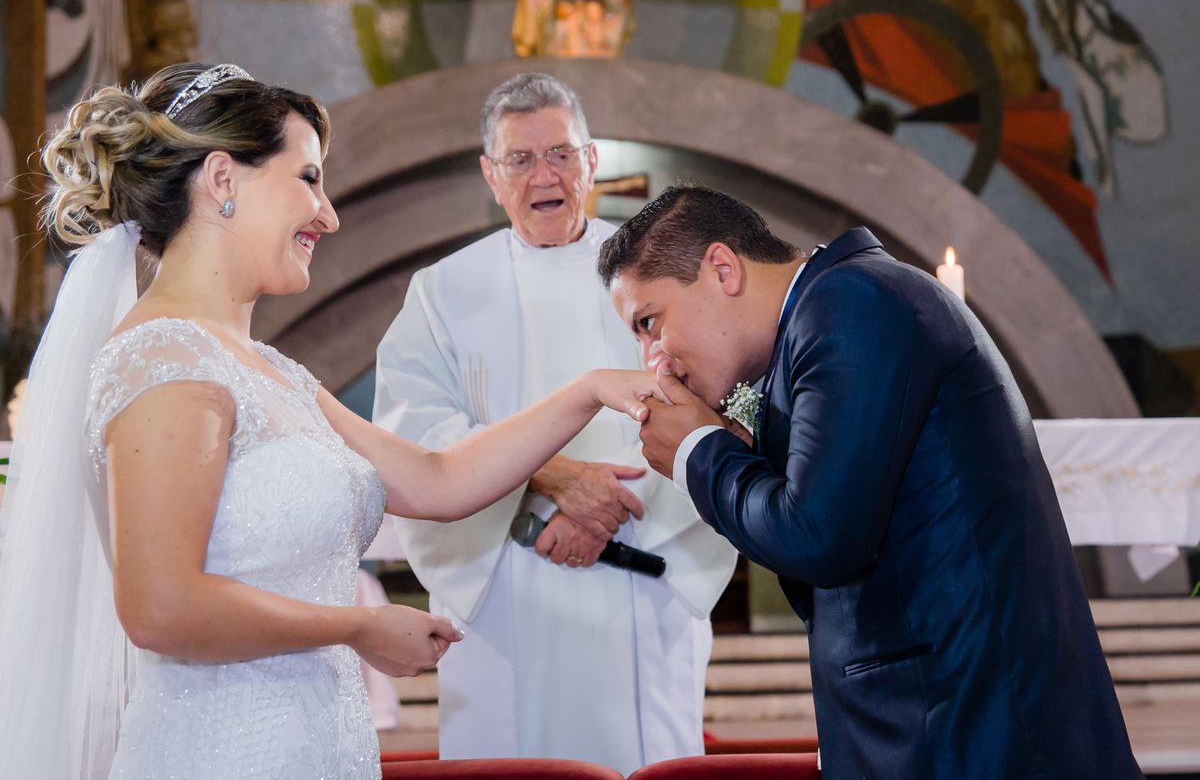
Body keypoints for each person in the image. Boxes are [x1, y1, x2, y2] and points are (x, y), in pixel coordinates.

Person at [0, 63, 664, 780]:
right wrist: (359, 627)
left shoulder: (272, 371)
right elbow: (161, 607)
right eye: (308, 178)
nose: (329, 213)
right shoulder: (167, 358)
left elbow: (438, 478)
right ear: (222, 179)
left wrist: (589, 390)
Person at [597, 184, 1144, 780]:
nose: (654, 358)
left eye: (649, 323)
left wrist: (699, 453)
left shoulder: (851, 304)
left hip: (971, 730)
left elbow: (818, 536)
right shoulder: (829, 314)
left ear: (723, 269)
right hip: (939, 719)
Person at [373, 74, 737, 774]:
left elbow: (710, 399)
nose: (545, 176)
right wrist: (545, 484)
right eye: (521, 159)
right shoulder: (445, 292)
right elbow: (410, 437)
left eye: (562, 155)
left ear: (592, 161)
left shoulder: (657, 274)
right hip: (508, 583)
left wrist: (613, 515)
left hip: (642, 571)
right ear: (490, 173)